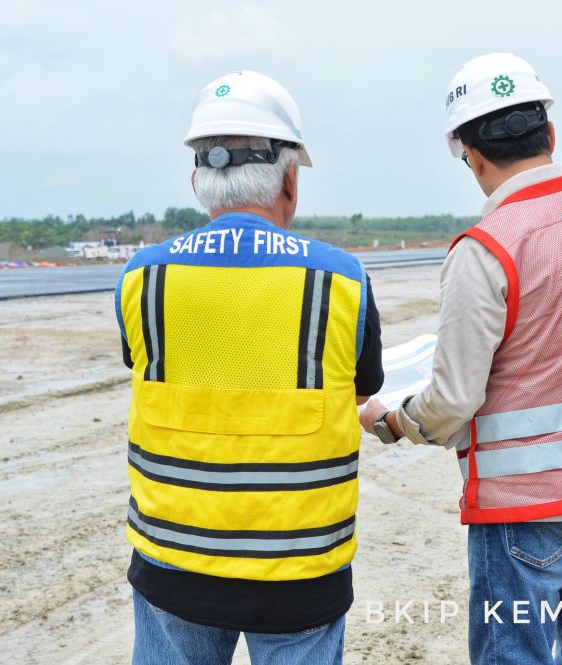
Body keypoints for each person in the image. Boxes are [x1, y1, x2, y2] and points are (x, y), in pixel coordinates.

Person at [360, 53, 562, 664]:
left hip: (522, 505)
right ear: (551, 134)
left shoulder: (486, 248)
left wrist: (393, 419)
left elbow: (454, 400)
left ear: (471, 155)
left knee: (515, 654)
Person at [115, 69, 384, 665]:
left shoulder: (142, 275)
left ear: (197, 179)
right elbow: (367, 386)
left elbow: (146, 361)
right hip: (300, 563)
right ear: (290, 177)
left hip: (173, 555)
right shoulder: (341, 278)